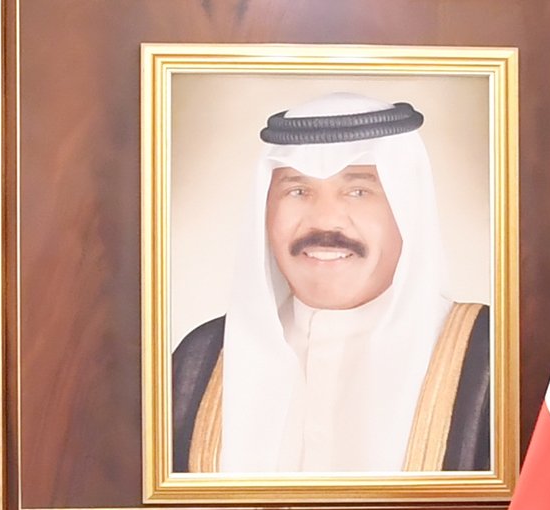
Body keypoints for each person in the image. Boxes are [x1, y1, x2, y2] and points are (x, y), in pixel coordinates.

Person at [172, 92, 491, 475]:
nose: (324, 220)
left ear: (407, 208)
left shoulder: (490, 356)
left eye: (358, 192)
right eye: (297, 191)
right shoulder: (201, 359)